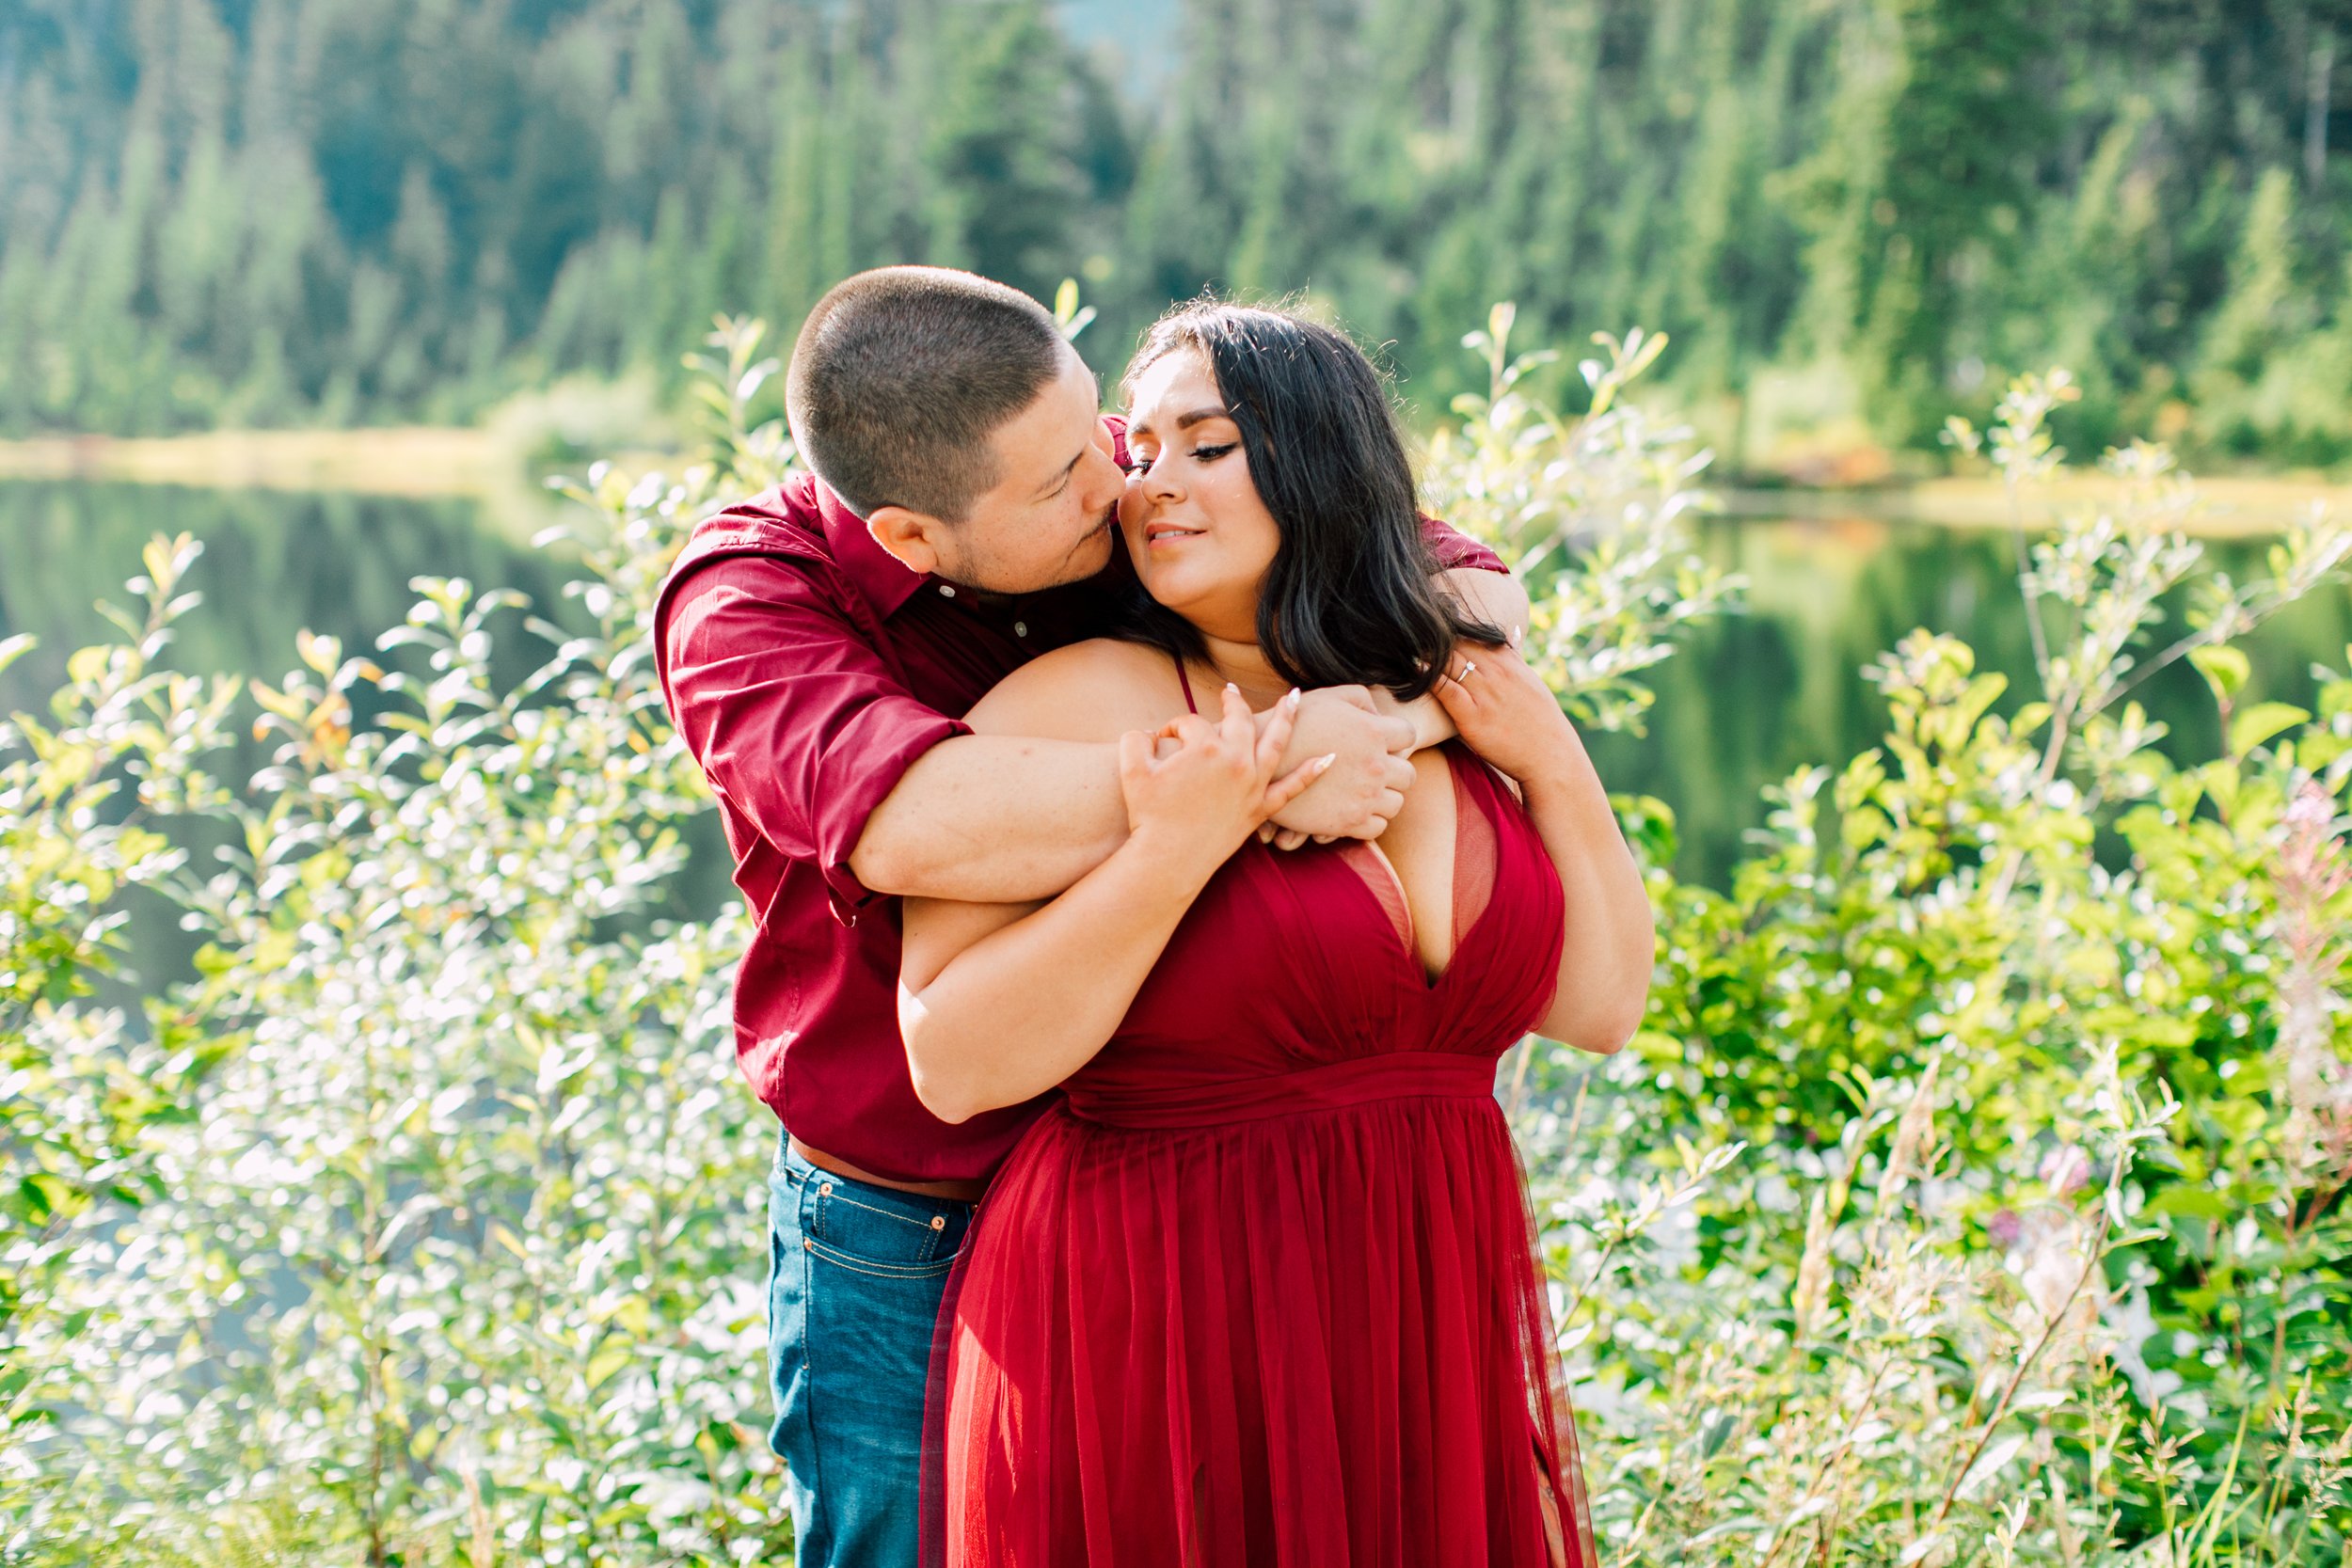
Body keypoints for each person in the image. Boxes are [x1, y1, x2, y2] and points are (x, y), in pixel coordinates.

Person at [650, 267, 1527, 1568]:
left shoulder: (1107, 483)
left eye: (1101, 433)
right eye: (1067, 479)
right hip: (914, 1216)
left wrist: (1391, 717)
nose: (1122, 486)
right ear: (910, 537)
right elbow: (917, 822)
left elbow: (1466, 593)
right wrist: (1270, 763)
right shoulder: (748, 607)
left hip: (1172, 1187)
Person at [901, 302, 1655, 1565]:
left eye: (1207, 445)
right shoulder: (1076, 706)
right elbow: (955, 1062)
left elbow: (1600, 1009)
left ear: (1322, 464)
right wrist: (1195, 832)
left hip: (1416, 1311)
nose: (1153, 487)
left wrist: (1551, 757)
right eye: (1135, 453)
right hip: (1160, 1319)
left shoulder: (1449, 692)